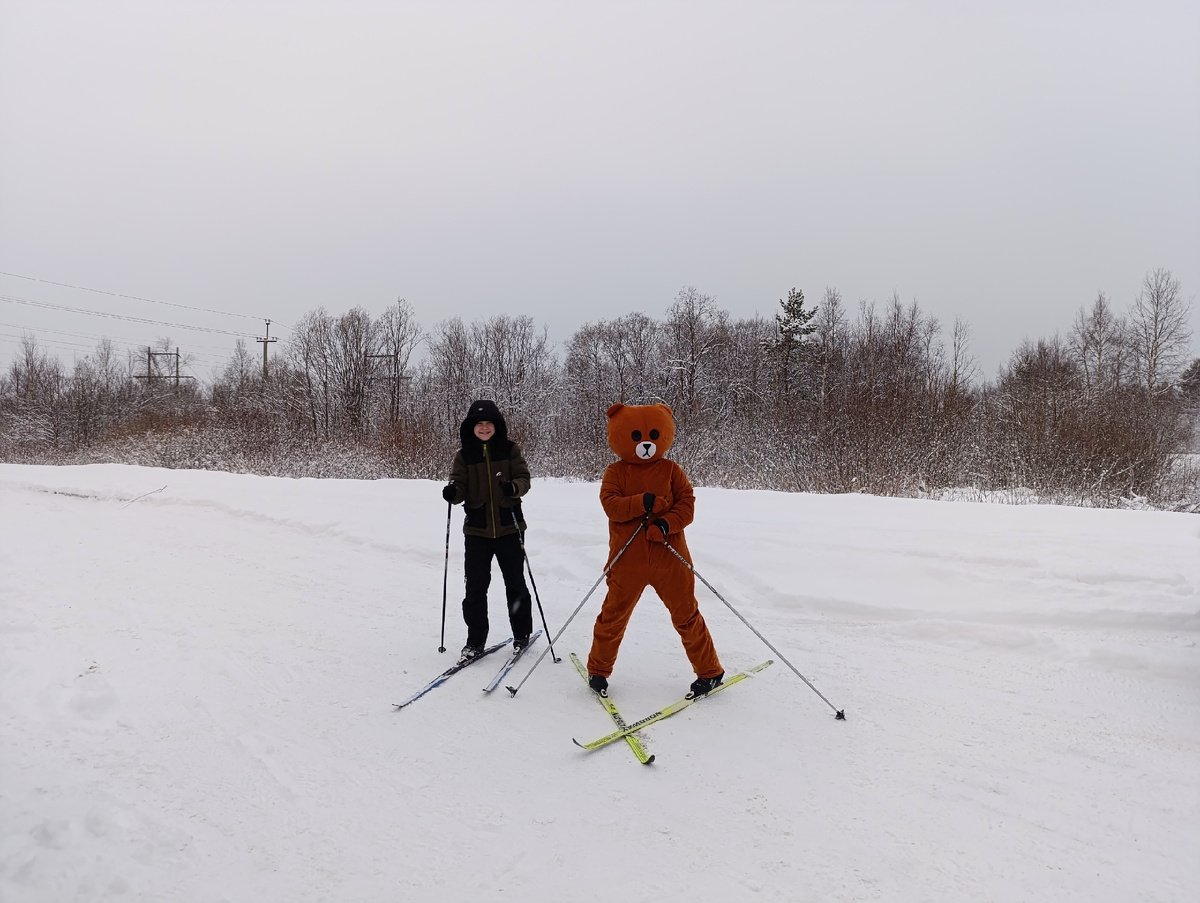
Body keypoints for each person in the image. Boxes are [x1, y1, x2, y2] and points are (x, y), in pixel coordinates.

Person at [586, 402, 724, 699]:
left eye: (650, 435)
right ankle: (598, 670)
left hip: (670, 558)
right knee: (613, 617)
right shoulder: (615, 472)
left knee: (686, 615)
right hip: (627, 561)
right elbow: (611, 506)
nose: (645, 443)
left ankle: (710, 672)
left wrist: (665, 523)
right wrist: (642, 502)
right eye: (636, 436)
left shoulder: (672, 470)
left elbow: (687, 504)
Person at [441, 399, 533, 663]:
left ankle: (521, 634)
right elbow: (459, 486)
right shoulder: (464, 455)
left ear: (497, 426)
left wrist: (513, 488)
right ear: (471, 427)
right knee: (476, 588)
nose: (484, 428)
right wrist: (453, 493)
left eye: (488, 423)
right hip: (477, 530)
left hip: (510, 527)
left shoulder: (510, 450)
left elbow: (524, 479)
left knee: (515, 583)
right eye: (479, 424)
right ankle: (475, 640)